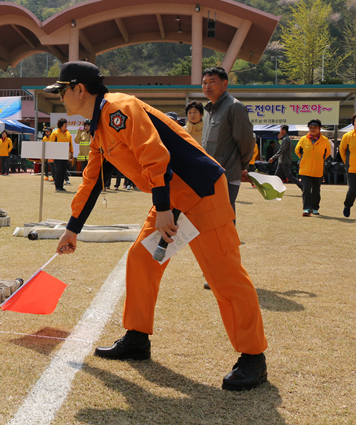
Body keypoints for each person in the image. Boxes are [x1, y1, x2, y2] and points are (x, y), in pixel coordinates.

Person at [49, 60, 268, 392]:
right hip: (171, 199)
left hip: (201, 192)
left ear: (80, 89)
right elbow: (93, 180)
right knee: (142, 259)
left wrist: (163, 208)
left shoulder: (119, 109)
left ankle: (254, 357)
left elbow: (155, 154)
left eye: (62, 91)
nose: (60, 97)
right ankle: (137, 338)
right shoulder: (99, 128)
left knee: (225, 275)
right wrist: (72, 228)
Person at [200, 67, 254, 218]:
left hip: (227, 175)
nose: (207, 86)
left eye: (212, 82)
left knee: (223, 218)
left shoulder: (234, 106)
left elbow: (246, 141)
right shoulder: (208, 111)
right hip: (209, 174)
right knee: (210, 218)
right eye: (204, 82)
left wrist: (241, 166)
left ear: (225, 84)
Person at [295, 119, 330, 217]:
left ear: (320, 128)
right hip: (305, 169)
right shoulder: (303, 139)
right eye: (311, 127)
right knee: (306, 189)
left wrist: (319, 161)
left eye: (315, 127)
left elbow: (327, 153)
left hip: (318, 170)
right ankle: (306, 208)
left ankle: (315, 208)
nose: (313, 129)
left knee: (316, 190)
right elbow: (298, 151)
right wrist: (305, 160)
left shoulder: (325, 140)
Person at [269, 125, 302, 189]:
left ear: (284, 131)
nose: (280, 131)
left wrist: (273, 158)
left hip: (285, 161)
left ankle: (302, 186)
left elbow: (281, 150)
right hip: (282, 161)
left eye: (280, 130)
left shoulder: (286, 139)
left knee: (289, 176)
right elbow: (291, 148)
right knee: (277, 177)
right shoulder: (286, 139)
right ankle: (273, 189)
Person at [339, 114, 356, 217]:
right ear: (353, 123)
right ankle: (347, 205)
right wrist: (347, 162)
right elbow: (342, 150)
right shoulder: (347, 136)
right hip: (351, 168)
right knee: (353, 189)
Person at [50, 119, 73, 191]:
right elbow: (51, 144)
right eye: (65, 124)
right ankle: (57, 186)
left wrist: (71, 153)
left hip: (65, 154)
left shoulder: (68, 133)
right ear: (60, 125)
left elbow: (70, 144)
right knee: (58, 170)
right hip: (57, 155)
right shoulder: (55, 133)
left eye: (66, 124)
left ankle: (61, 186)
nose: (66, 126)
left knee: (63, 171)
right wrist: (52, 154)